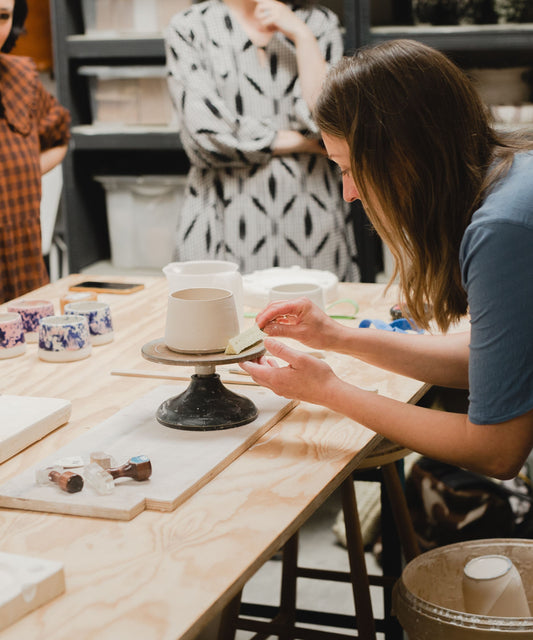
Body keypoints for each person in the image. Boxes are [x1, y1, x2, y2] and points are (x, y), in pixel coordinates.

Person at [241, 39, 533, 480]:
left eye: (348, 168)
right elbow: (492, 361)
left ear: (404, 155)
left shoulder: (502, 229)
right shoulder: (513, 175)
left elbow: (496, 451)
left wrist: (328, 390)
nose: (349, 193)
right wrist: (334, 335)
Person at [165, 0, 358, 280]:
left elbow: (327, 121)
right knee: (220, 316)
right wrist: (301, 142)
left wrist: (301, 37)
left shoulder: (317, 23)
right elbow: (206, 136)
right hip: (220, 213)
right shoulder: (189, 26)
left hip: (311, 215)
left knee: (320, 314)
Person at [0, 0, 70, 304]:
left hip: (24, 270)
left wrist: (23, 169)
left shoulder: (20, 78)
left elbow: (59, 137)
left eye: (2, 16)